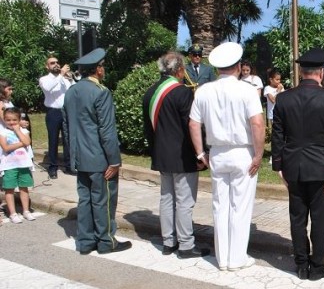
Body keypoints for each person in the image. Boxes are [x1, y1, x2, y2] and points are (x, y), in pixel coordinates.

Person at [188, 42, 265, 271]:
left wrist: (201, 153)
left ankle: (222, 259)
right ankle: (236, 258)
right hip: (242, 151)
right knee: (240, 206)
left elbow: (193, 123)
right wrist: (259, 154)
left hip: (217, 152)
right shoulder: (247, 90)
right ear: (239, 66)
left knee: (220, 206)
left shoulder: (204, 91)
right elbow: (257, 123)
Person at [271, 48, 324, 281]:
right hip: (321, 168)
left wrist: (278, 167)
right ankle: (318, 266)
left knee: (297, 218)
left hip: (293, 167)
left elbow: (277, 136)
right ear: (321, 72)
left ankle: (301, 265)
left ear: (301, 72)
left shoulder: (284, 98)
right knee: (320, 221)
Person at [63, 48, 132, 255]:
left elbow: (67, 128)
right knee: (104, 200)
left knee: (84, 200)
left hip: (79, 156)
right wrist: (114, 161)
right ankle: (106, 240)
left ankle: (85, 241)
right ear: (98, 70)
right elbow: (107, 131)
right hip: (99, 157)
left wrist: (72, 155)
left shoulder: (70, 92)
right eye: (102, 66)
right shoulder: (101, 92)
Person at [142, 51, 210, 259]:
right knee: (184, 202)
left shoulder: (150, 92)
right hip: (182, 156)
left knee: (166, 198)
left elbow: (148, 130)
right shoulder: (182, 93)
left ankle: (168, 241)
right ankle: (186, 245)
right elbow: (190, 127)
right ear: (179, 70)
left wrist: (155, 152)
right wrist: (199, 155)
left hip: (162, 155)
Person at [39, 54, 75, 179]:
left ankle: (69, 165)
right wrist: (61, 75)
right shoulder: (44, 79)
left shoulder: (63, 78)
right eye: (52, 63)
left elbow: (73, 89)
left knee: (68, 139)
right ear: (47, 66)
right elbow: (48, 88)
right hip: (53, 112)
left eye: (57, 62)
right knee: (53, 140)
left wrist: (70, 78)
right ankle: (53, 167)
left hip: (66, 111)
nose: (56, 64)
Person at [0, 108, 35, 224]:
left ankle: (26, 210)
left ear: (19, 120)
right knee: (9, 189)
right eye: (8, 120)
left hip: (23, 164)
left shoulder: (24, 131)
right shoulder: (3, 132)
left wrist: (18, 130)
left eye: (14, 120)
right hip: (9, 165)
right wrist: (21, 144)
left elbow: (27, 141)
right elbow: (6, 147)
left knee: (24, 188)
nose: (11, 122)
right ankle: (13, 213)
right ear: (4, 120)